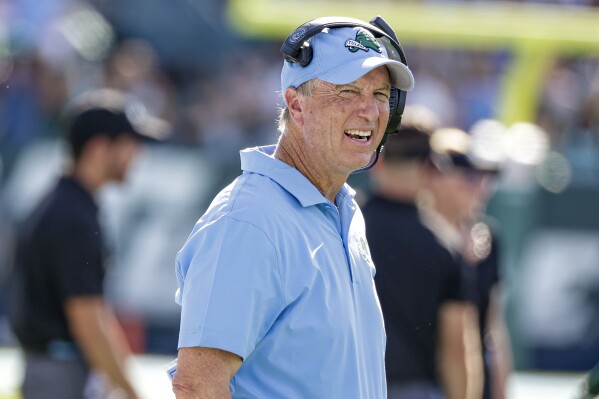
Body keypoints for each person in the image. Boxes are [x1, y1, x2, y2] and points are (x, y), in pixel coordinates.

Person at [172, 16, 415, 398]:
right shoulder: (249, 221)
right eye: (348, 92)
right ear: (296, 106)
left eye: (381, 95)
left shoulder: (343, 210)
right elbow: (196, 385)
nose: (370, 111)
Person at [5, 88, 169, 399]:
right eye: (129, 145)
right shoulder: (72, 217)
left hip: (52, 369)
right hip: (60, 374)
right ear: (98, 148)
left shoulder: (63, 204)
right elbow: (88, 321)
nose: (137, 155)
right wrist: (132, 393)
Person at [362, 107, 483, 399]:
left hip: (350, 385)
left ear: (376, 160)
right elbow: (456, 350)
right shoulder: (443, 247)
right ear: (432, 166)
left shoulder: (342, 229)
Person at [430, 124, 513, 399]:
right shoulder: (415, 240)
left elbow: (493, 329)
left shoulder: (489, 240)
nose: (481, 187)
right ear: (434, 176)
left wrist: (501, 390)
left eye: (486, 177)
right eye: (469, 175)